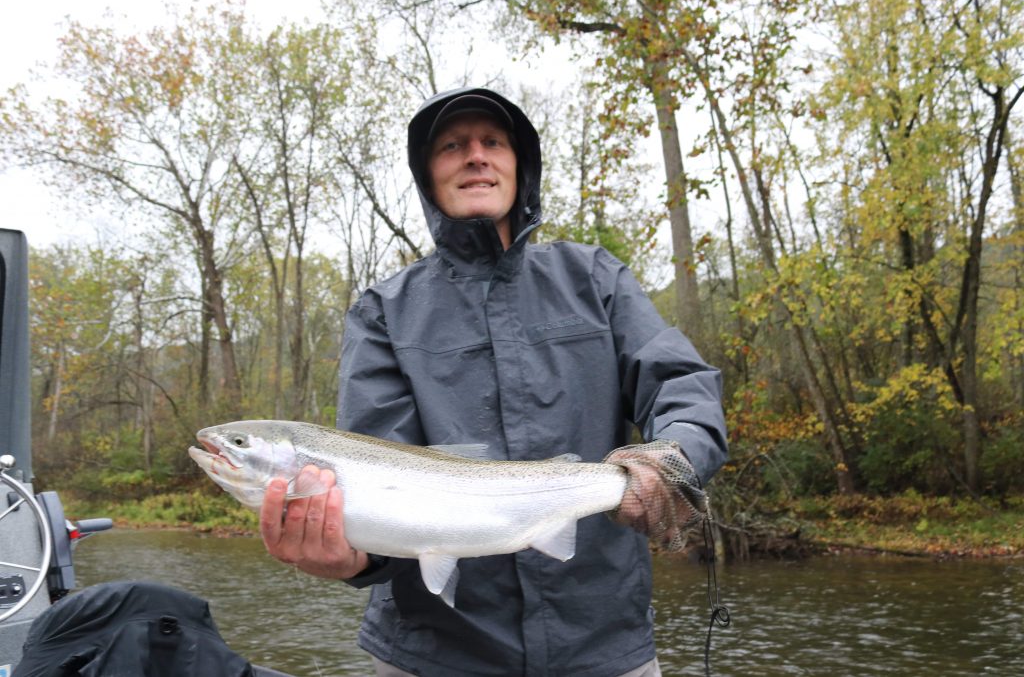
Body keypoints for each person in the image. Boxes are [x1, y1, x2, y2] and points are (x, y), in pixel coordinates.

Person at [259, 87, 728, 677]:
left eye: (493, 142)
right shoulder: (382, 313)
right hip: (432, 656)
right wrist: (355, 558)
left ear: (519, 166)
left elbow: (681, 384)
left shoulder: (596, 279)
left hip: (606, 646)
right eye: (453, 146)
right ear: (429, 177)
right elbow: (381, 487)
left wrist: (675, 457)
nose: (475, 156)